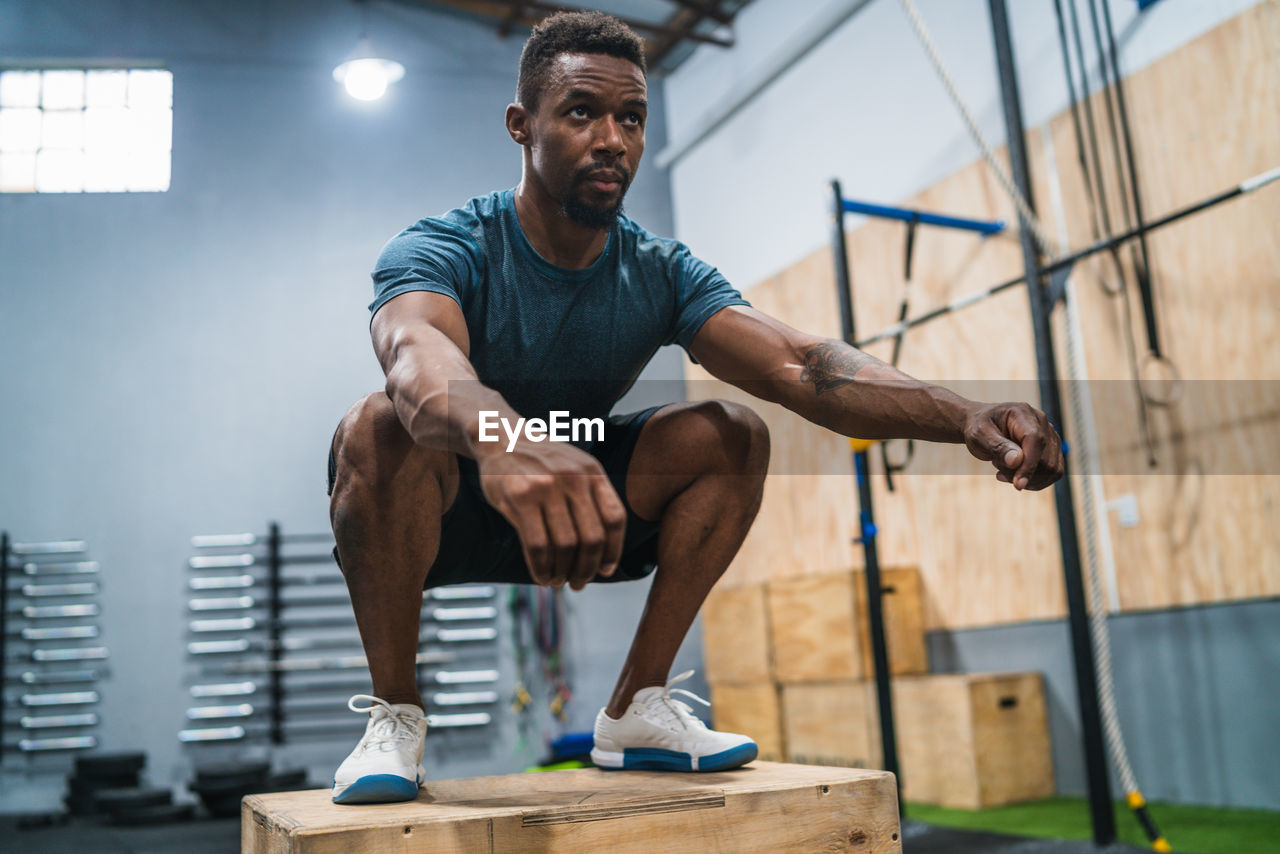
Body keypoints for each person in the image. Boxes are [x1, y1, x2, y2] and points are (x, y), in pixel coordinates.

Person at [326, 11, 1063, 805]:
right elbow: (415, 359)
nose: (613, 139)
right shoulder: (448, 244)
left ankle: (636, 710)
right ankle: (394, 717)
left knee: (731, 435)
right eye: (582, 112)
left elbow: (804, 366)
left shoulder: (659, 271)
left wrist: (962, 415)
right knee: (374, 428)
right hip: (453, 502)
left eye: (632, 118)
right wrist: (506, 442)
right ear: (522, 125)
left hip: (589, 500)